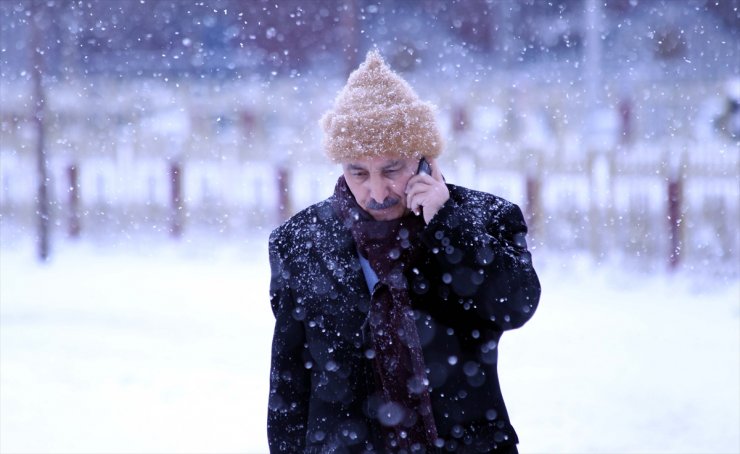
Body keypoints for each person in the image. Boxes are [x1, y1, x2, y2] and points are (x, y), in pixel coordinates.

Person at [267, 50, 540, 453]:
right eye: (358, 172)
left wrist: (447, 225)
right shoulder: (300, 242)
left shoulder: (484, 220)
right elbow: (289, 382)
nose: (376, 193)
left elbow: (515, 307)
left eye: (392, 169)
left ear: (425, 160)